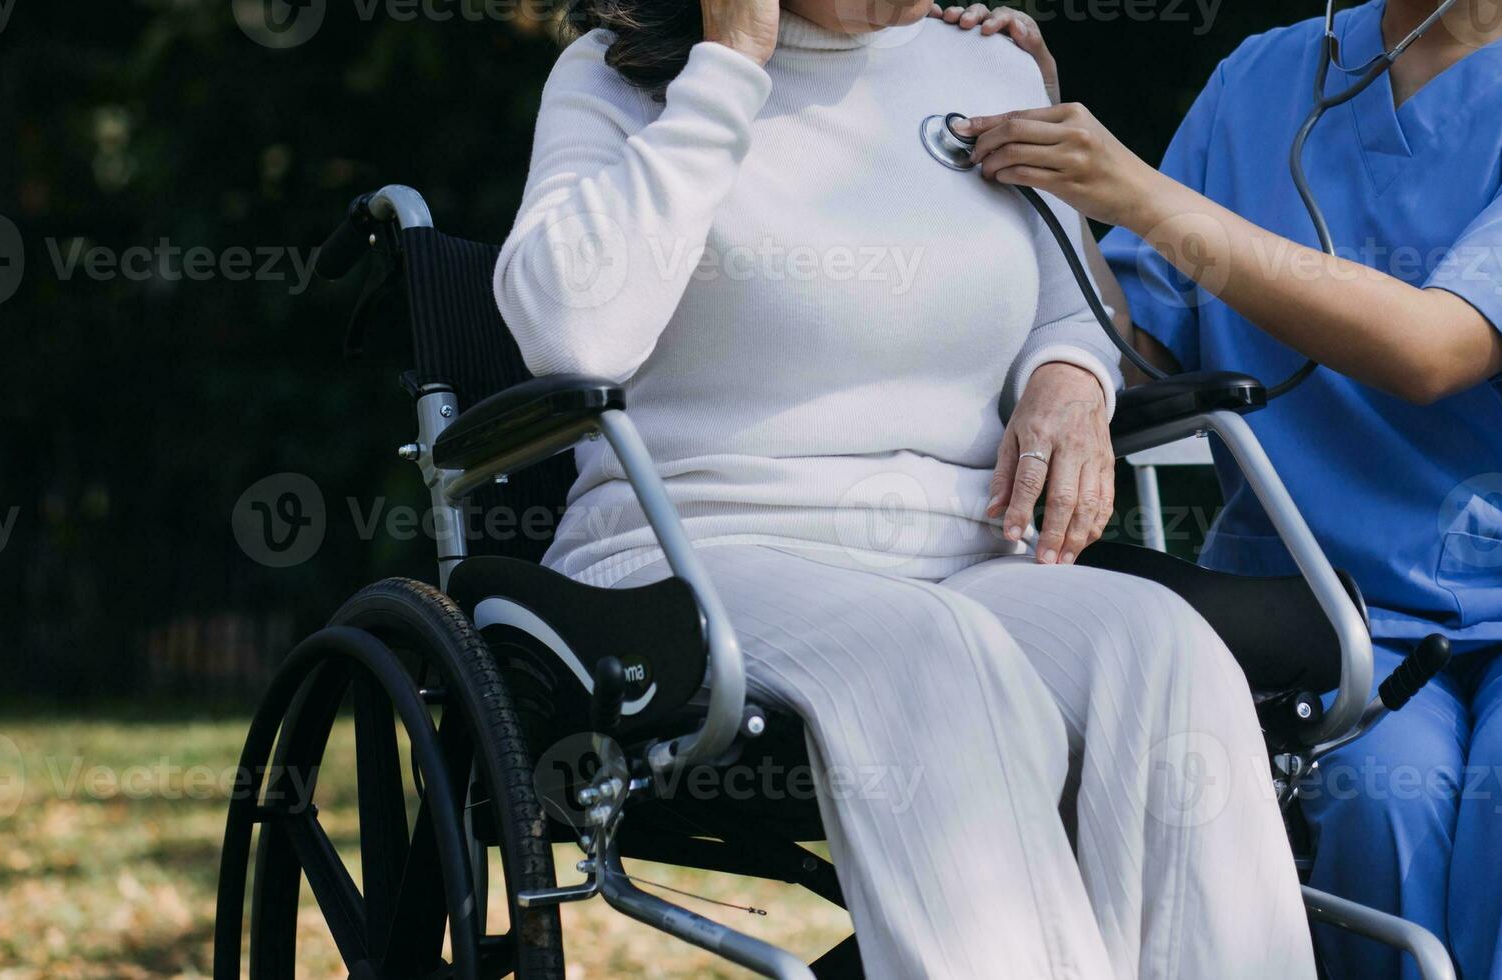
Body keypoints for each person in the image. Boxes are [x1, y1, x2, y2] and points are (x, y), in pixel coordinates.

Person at [492, 0, 1317, 976]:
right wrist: (730, 65)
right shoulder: (618, 74)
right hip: (695, 546)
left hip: (963, 550)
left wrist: (1069, 378)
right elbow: (569, 335)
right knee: (933, 651)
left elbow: (1072, 308)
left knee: (1163, 647)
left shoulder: (986, 68)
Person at [944, 0, 1502, 976]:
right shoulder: (1259, 77)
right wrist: (1051, 165)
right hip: (1328, 613)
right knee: (1382, 799)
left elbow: (1434, 347)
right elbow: (1142, 344)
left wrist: (1142, 194)